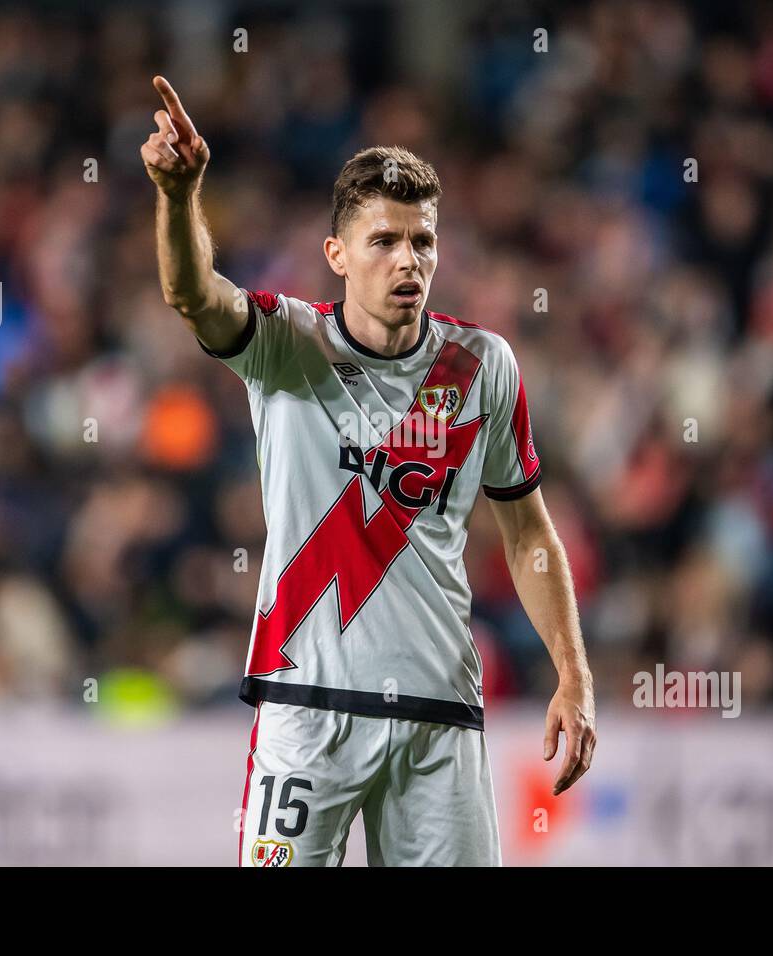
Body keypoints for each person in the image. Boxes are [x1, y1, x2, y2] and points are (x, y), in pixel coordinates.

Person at [141, 75, 595, 867]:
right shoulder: (287, 344)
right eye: (384, 241)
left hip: (438, 719)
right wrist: (181, 197)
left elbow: (528, 535)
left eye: (421, 240)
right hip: (305, 712)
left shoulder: (481, 366)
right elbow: (191, 293)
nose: (406, 259)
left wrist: (573, 672)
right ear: (337, 255)